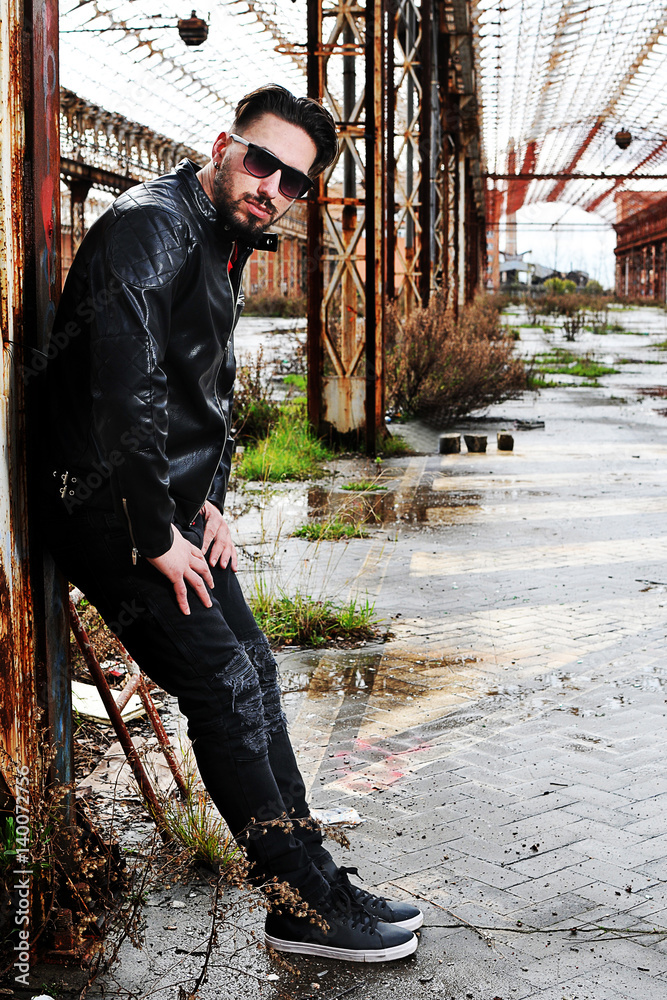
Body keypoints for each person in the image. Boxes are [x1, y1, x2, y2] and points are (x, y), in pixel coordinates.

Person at [39, 85, 422, 962]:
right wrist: (152, 532)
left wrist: (207, 495)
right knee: (220, 688)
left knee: (253, 671)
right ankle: (300, 905)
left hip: (166, 507)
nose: (271, 187)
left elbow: (202, 387)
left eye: (293, 180)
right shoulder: (151, 226)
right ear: (222, 145)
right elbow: (122, 393)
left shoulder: (221, 236)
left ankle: (315, 880)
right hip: (113, 511)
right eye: (261, 161)